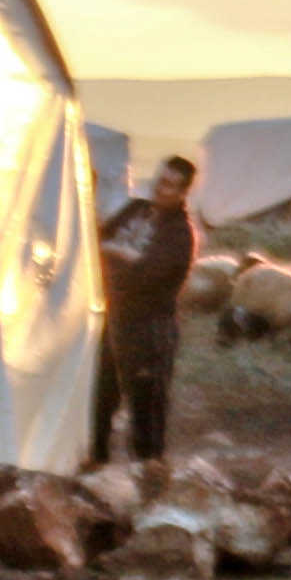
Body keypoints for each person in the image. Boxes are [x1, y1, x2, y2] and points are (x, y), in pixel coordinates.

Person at [91, 153, 198, 468]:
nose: (160, 189)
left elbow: (149, 272)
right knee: (100, 400)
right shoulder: (136, 209)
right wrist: (117, 253)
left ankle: (150, 476)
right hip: (113, 319)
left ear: (182, 192)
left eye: (169, 185)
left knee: (147, 409)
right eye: (160, 180)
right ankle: (96, 470)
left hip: (149, 328)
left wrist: (113, 253)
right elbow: (99, 238)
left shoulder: (179, 233)